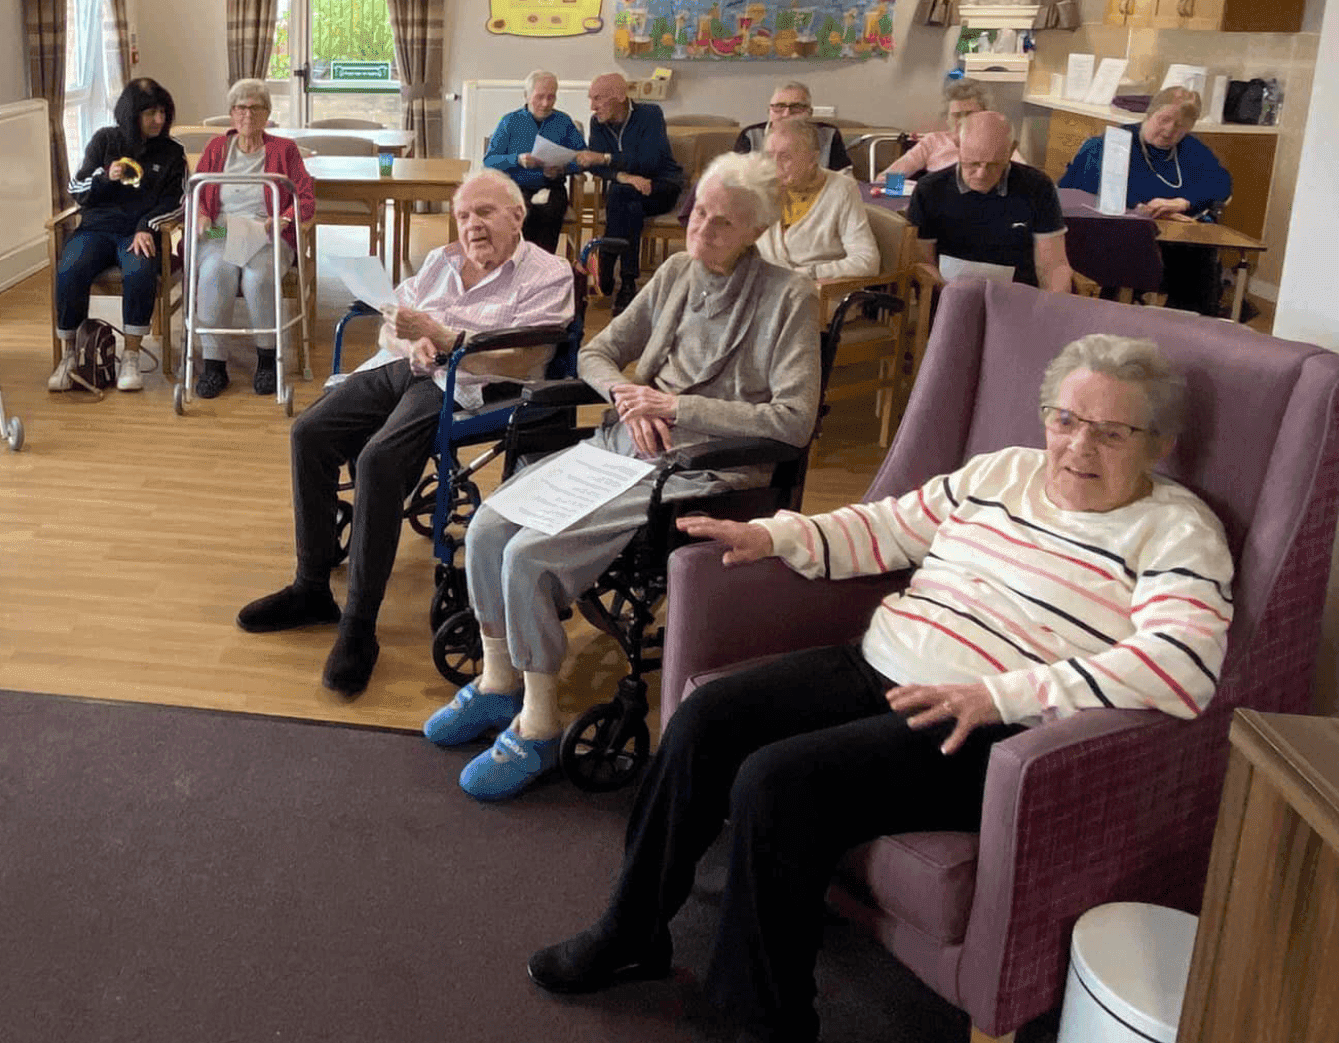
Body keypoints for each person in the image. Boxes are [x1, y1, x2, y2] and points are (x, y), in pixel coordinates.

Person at [524, 333, 1232, 1043]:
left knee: (778, 783)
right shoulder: (1002, 472)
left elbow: (1182, 663)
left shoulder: (1175, 531)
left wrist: (1005, 695)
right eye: (1066, 420)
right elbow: (890, 528)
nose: (1078, 446)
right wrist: (777, 536)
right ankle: (633, 931)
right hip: (880, 661)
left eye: (1111, 433)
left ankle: (762, 1022)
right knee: (707, 716)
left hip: (983, 722)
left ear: (1160, 444)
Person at [426, 153, 821, 801]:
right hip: (628, 442)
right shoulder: (676, 272)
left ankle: (542, 724)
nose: (700, 233)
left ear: (755, 229)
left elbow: (794, 420)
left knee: (528, 553)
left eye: (721, 224)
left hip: (703, 465)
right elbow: (598, 350)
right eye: (697, 216)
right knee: (491, 525)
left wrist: (675, 406)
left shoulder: (789, 295)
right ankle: (500, 684)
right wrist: (627, 395)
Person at [236, 170, 575, 697]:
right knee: (310, 432)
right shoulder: (441, 261)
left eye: (484, 213)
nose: (472, 226)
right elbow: (389, 322)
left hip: (466, 383)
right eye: (463, 216)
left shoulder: (548, 274)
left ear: (517, 216)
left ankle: (359, 626)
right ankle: (310, 587)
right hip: (408, 368)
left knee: (377, 461)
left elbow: (527, 355)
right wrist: (406, 342)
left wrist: (441, 337)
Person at [50, 77, 187, 394]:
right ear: (131, 113)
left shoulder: (172, 153)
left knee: (140, 271)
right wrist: (104, 177)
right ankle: (70, 356)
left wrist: (147, 226)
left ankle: (131, 355)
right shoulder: (104, 141)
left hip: (137, 232)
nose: (159, 120)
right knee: (70, 269)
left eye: (163, 113)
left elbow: (176, 202)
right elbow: (76, 190)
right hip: (95, 229)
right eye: (150, 113)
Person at [185, 78, 315, 398]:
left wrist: (281, 219)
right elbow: (196, 194)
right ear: (231, 114)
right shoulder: (217, 148)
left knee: (258, 278)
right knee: (215, 272)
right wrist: (201, 216)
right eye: (240, 108)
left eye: (255, 108)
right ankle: (215, 367)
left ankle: (268, 361)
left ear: (267, 113)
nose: (247, 114)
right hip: (221, 230)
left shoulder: (284, 149)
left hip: (265, 231)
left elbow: (305, 198)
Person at [1058, 86, 1233, 313]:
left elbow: (1221, 184)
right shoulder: (1112, 144)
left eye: (1180, 125)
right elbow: (1080, 190)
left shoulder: (1191, 149)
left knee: (1198, 258)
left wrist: (1183, 202)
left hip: (1178, 240)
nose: (1169, 130)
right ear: (1149, 114)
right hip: (1120, 233)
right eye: (1164, 119)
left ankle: (1187, 327)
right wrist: (1140, 209)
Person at [906, 110, 1073, 292]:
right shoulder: (930, 180)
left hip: (1018, 297)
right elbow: (924, 263)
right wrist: (949, 295)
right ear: (958, 144)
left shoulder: (1037, 186)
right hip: (949, 294)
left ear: (1010, 150)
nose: (981, 174)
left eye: (993, 165)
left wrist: (1053, 308)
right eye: (973, 163)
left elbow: (1053, 265)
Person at [575, 71, 684, 311]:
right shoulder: (598, 123)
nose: (592, 107)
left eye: (598, 99)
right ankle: (627, 282)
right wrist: (623, 176)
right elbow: (596, 168)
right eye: (590, 99)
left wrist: (606, 158)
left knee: (620, 195)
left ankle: (605, 265)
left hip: (661, 185)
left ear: (620, 97)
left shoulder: (650, 114)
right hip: (628, 193)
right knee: (626, 199)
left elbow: (650, 161)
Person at [755, 117, 879, 280]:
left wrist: (807, 273)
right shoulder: (759, 186)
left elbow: (867, 261)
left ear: (813, 159)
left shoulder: (841, 189)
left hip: (821, 294)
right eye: (769, 156)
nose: (774, 165)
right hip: (764, 292)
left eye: (785, 157)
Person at [483, 71, 585, 253]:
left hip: (551, 186)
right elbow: (489, 160)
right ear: (527, 96)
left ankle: (543, 267)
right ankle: (518, 265)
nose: (545, 104)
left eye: (551, 97)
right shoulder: (510, 121)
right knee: (523, 214)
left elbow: (582, 157)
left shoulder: (563, 122)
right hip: (516, 187)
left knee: (550, 213)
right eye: (539, 97)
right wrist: (517, 160)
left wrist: (562, 169)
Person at [876, 80, 1026, 180]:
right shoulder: (932, 142)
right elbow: (886, 178)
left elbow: (1026, 180)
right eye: (956, 115)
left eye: (970, 114)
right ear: (947, 118)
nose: (962, 121)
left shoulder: (999, 143)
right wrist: (915, 192)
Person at [732, 79, 852, 172]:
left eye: (796, 107)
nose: (787, 114)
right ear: (769, 111)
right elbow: (737, 181)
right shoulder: (751, 135)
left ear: (809, 113)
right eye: (779, 107)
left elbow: (844, 180)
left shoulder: (829, 135)